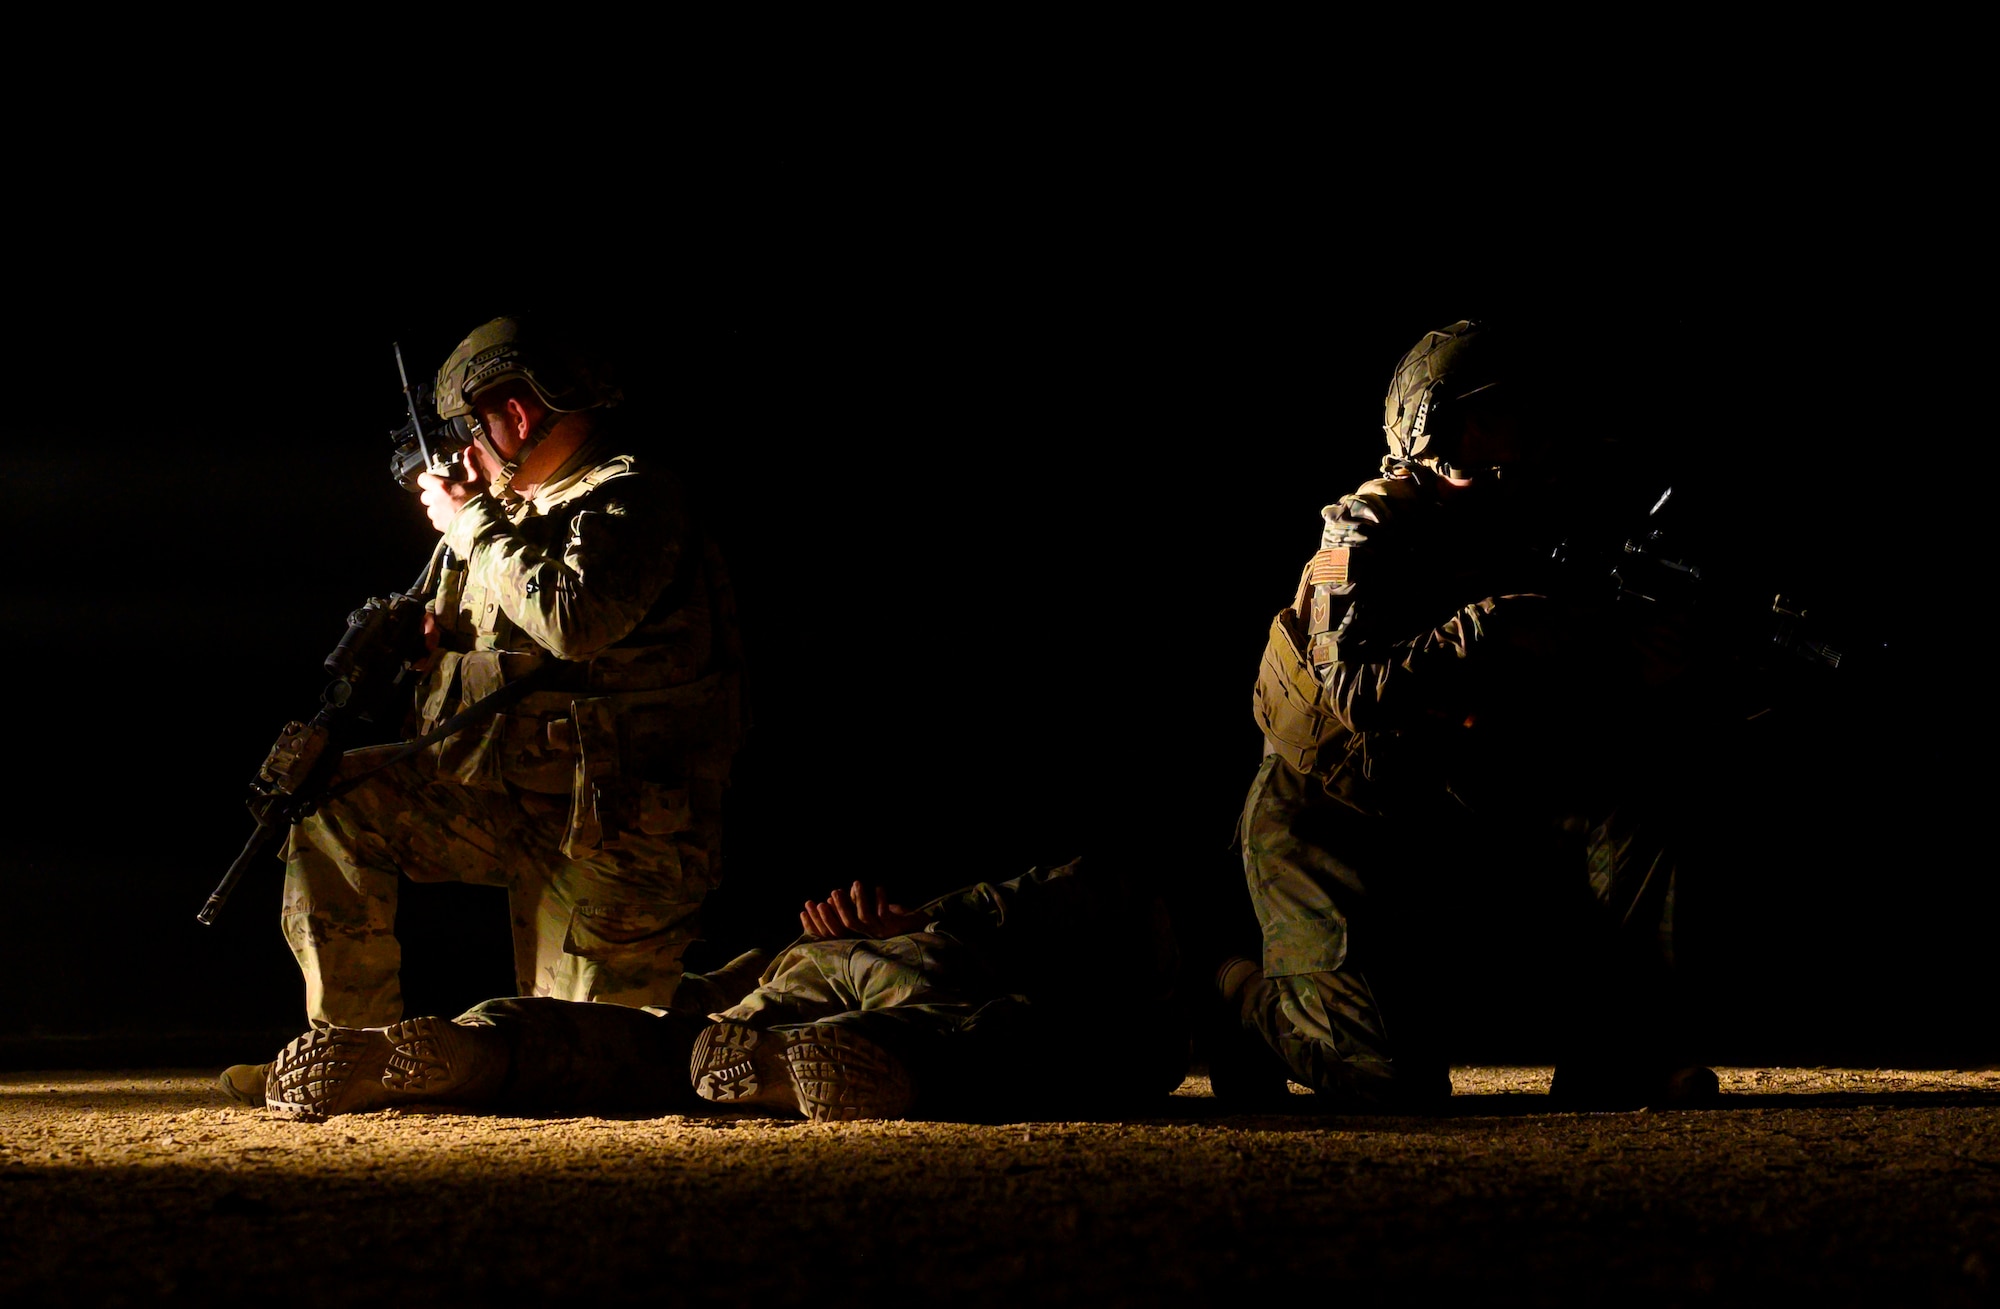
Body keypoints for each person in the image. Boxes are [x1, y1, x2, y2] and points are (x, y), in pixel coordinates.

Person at [220, 315, 743, 1104]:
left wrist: (470, 523)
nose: (463, 449)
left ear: (520, 415)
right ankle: (348, 1055)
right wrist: (431, 653)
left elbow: (573, 619)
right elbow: (501, 662)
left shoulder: (634, 499)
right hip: (510, 808)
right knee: (334, 798)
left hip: (622, 838)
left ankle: (756, 1005)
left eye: (471, 426)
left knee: (594, 1071)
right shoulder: (512, 519)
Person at [1218, 319, 1720, 1111]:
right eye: (1494, 413)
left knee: (1635, 807)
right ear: (1434, 423)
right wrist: (1487, 627)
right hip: (1328, 820)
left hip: (1447, 806)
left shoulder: (1527, 525)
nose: (1519, 430)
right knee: (1388, 1078)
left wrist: (1637, 661)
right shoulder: (1362, 533)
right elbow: (1355, 691)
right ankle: (1246, 1002)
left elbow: (1566, 691)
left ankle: (1615, 1055)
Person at [256, 859, 1190, 1123]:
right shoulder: (1063, 911)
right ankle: (824, 1066)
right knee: (998, 1035)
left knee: (666, 1048)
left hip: (788, 983)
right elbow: (1101, 906)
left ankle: (474, 1049)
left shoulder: (1077, 918)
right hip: (882, 980)